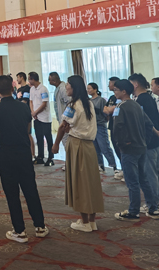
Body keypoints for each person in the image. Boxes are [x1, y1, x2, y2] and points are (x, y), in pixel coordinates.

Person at [0, 75, 49, 243]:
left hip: (6, 154)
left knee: (12, 193)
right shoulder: (24, 107)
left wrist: (4, 141)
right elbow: (28, 129)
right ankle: (40, 226)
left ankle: (19, 231)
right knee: (31, 190)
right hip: (23, 153)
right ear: (13, 88)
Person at [52, 75, 104, 233]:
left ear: (74, 87)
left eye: (68, 85)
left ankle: (85, 222)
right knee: (91, 182)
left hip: (77, 145)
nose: (66, 87)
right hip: (89, 146)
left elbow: (63, 126)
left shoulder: (73, 105)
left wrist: (56, 144)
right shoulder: (88, 103)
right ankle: (92, 221)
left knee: (79, 182)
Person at [111, 80, 159, 221]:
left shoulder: (120, 107)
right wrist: (145, 140)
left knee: (132, 181)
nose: (114, 92)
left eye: (116, 90)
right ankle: (153, 208)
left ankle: (133, 211)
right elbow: (149, 124)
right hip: (141, 147)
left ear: (124, 92)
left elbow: (117, 128)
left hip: (129, 149)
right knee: (143, 179)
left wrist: (121, 143)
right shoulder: (136, 105)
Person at [129, 73, 159, 212]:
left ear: (135, 85)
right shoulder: (149, 97)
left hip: (148, 139)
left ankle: (153, 201)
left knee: (150, 172)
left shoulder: (141, 100)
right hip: (155, 138)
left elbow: (145, 121)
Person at [87, 83, 117, 174]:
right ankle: (100, 165)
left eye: (90, 88)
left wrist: (104, 121)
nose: (88, 90)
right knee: (95, 147)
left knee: (104, 147)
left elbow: (106, 113)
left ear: (95, 89)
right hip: (92, 126)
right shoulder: (88, 101)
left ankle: (114, 166)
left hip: (100, 125)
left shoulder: (101, 100)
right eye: (87, 89)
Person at [28, 72, 54, 166]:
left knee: (48, 137)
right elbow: (31, 101)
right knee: (39, 137)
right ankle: (40, 157)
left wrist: (36, 112)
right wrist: (33, 112)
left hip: (45, 118)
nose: (28, 81)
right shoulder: (32, 89)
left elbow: (44, 103)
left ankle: (50, 157)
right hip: (36, 117)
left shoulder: (43, 89)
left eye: (29, 79)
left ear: (33, 79)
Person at [103, 76, 123, 180]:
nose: (108, 86)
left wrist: (109, 109)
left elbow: (110, 110)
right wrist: (109, 109)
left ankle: (126, 171)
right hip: (112, 126)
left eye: (110, 84)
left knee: (121, 149)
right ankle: (122, 169)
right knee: (116, 148)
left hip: (120, 127)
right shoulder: (112, 97)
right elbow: (105, 109)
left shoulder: (120, 98)